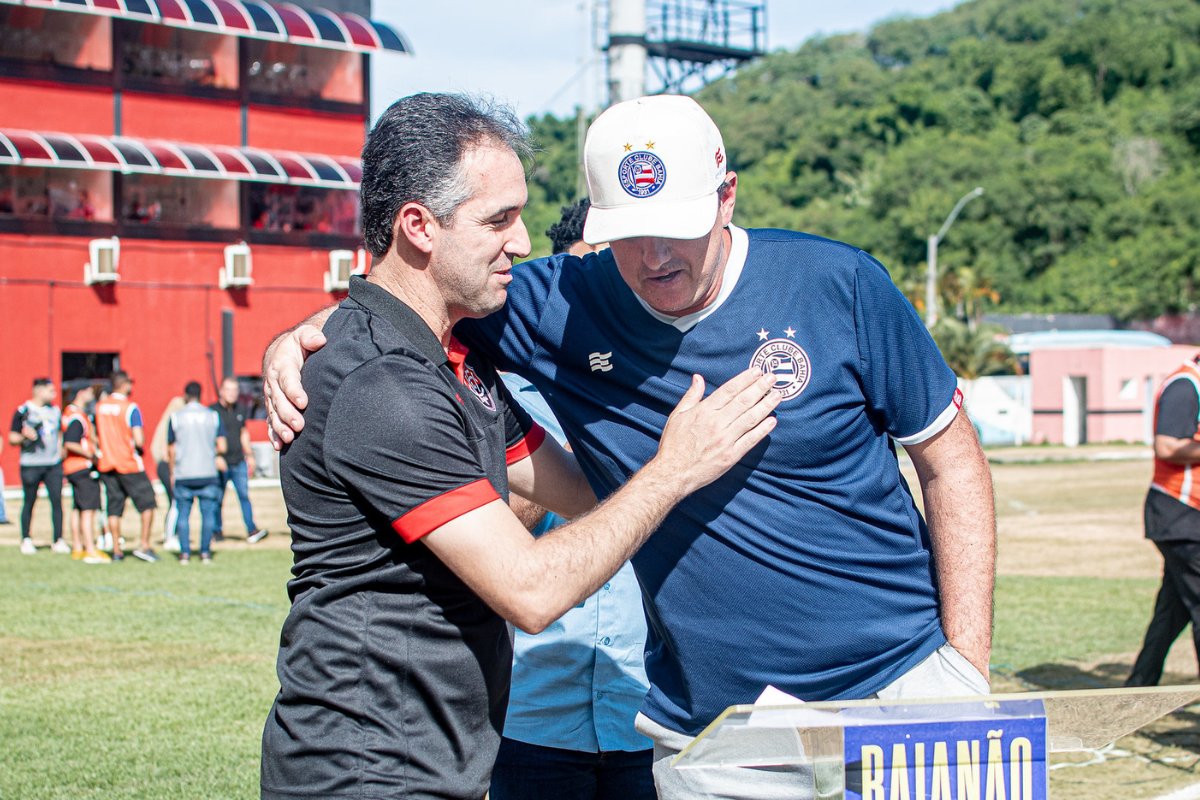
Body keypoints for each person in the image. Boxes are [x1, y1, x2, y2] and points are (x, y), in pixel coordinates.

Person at [264, 93, 994, 799]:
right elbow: (399, 309)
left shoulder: (838, 284)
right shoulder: (550, 303)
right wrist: (303, 338)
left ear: (727, 196)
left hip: (902, 690)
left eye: (677, 226)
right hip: (718, 735)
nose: (653, 256)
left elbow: (951, 459)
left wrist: (964, 667)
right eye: (628, 233)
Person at [490, 201, 653, 800]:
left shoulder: (679, 393)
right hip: (534, 708)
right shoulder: (503, 395)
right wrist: (575, 413)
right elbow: (497, 527)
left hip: (652, 708)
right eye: (584, 283)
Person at [1127, 355, 1200, 686]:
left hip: (1187, 516)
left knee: (1173, 612)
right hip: (1180, 513)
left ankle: (1136, 692)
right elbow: (1167, 445)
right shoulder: (1185, 386)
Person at [95, 370, 158, 563]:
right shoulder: (130, 408)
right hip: (129, 464)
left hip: (107, 464)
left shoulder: (100, 407)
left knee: (114, 508)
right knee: (148, 503)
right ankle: (144, 545)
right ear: (123, 385)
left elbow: (95, 434)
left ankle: (116, 550)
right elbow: (138, 439)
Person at [166, 381, 226, 565]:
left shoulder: (176, 417)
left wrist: (171, 471)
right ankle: (205, 553)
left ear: (185, 395)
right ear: (201, 394)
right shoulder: (212, 416)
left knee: (183, 514)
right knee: (207, 514)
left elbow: (171, 450)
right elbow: (222, 446)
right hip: (207, 471)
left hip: (184, 472)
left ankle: (184, 554)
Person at [8, 378, 65, 554]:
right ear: (40, 391)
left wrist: (60, 453)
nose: (54, 394)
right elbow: (12, 438)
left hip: (52, 464)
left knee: (57, 501)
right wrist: (26, 437)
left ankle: (58, 540)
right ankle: (26, 539)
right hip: (31, 464)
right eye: (51, 391)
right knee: (30, 501)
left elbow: (60, 433)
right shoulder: (24, 411)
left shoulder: (55, 411)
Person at [210, 377, 267, 544]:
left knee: (244, 496)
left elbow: (243, 432)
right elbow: (208, 438)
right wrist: (215, 456)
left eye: (235, 391)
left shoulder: (240, 409)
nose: (232, 394)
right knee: (217, 498)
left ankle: (251, 530)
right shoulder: (212, 412)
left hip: (238, 461)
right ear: (221, 391)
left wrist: (249, 455)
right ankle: (216, 531)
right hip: (221, 463)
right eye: (229, 390)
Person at [61, 384, 109, 563]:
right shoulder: (77, 417)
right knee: (88, 509)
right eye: (89, 391)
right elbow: (70, 442)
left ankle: (78, 547)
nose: (92, 395)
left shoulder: (68, 413)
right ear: (80, 393)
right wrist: (90, 453)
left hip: (72, 468)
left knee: (78, 508)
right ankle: (90, 548)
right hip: (81, 467)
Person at [150, 395, 186, 551]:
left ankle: (172, 533)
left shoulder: (165, 424)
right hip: (167, 466)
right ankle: (170, 535)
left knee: (174, 501)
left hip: (163, 466)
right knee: (175, 501)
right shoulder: (173, 423)